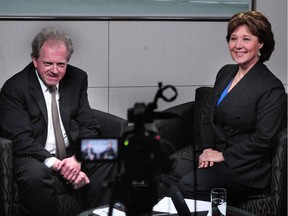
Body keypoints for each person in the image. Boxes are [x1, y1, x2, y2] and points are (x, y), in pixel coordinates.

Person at [160, 11, 287, 205]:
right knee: (166, 170)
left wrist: (222, 156)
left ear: (260, 43)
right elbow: (207, 119)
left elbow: (264, 140)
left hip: (245, 165)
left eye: (246, 38)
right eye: (233, 38)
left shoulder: (271, 87)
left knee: (187, 185)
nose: (238, 45)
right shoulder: (225, 72)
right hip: (215, 152)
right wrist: (207, 150)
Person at [0, 27, 116, 215]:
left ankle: (95, 213)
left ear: (67, 61)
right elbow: (21, 140)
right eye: (48, 63)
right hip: (35, 156)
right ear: (35, 60)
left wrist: (78, 158)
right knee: (35, 176)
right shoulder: (15, 88)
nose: (55, 71)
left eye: (61, 64)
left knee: (111, 149)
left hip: (72, 153)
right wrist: (59, 165)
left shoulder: (78, 78)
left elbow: (89, 125)